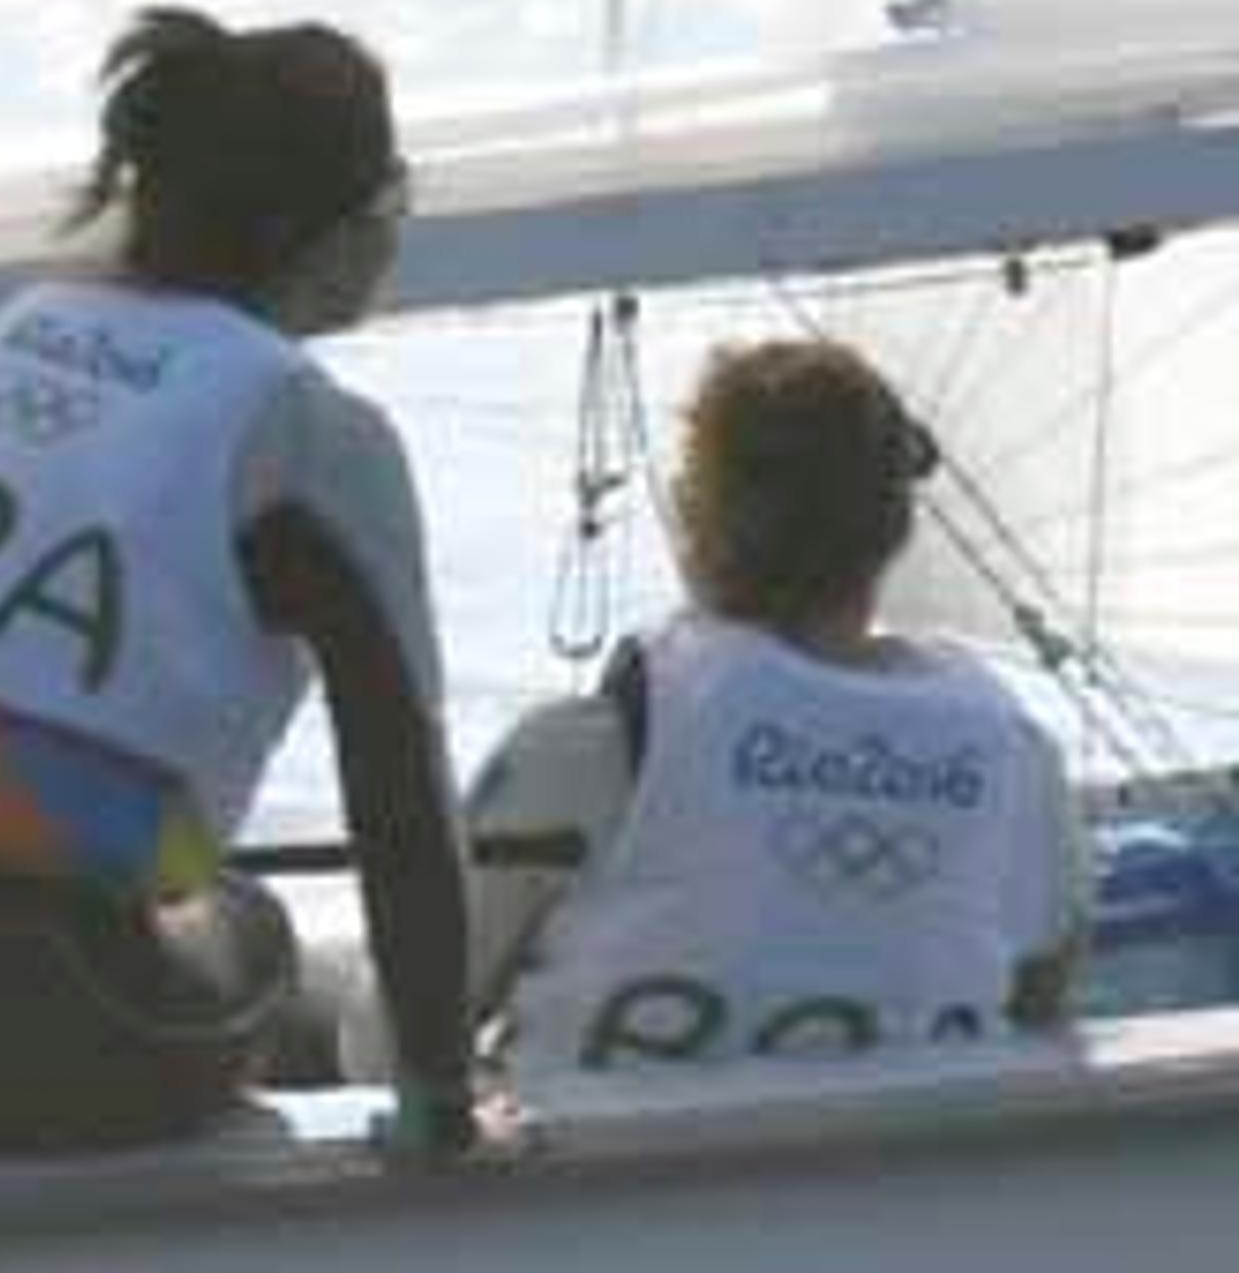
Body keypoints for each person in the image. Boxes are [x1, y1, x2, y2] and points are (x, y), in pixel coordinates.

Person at [0, 10, 475, 1159]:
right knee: (255, 937)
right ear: (335, 230)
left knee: (132, 898)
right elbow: (401, 799)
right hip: (40, 1014)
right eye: (397, 199)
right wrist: (444, 1108)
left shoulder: (24, 337)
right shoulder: (309, 431)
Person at [465, 340, 1087, 1081]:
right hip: (904, 1186)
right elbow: (1040, 1004)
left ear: (693, 516)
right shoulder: (1017, 761)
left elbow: (398, 1032)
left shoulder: (588, 748)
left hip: (598, 1189)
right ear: (895, 528)